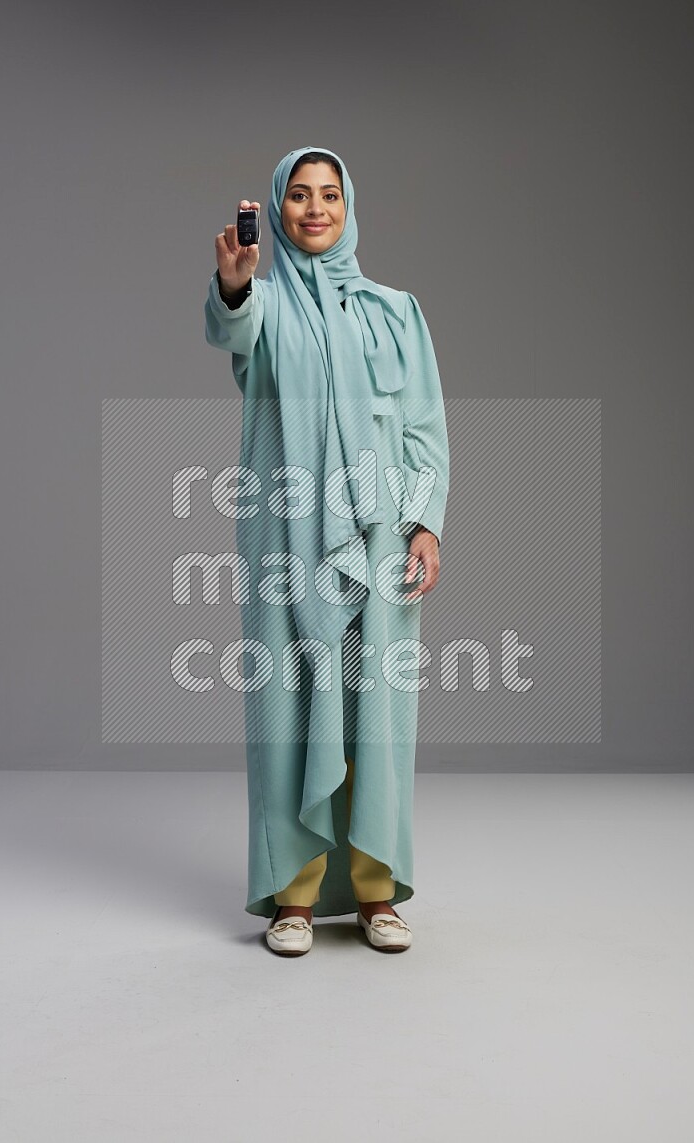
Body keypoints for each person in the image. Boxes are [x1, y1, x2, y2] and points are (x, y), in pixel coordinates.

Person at [204, 146, 449, 956]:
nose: (315, 209)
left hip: (378, 539)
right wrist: (236, 281)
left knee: (378, 713)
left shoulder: (395, 310)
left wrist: (425, 523)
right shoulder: (267, 307)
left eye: (330, 196)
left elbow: (422, 429)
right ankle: (295, 899)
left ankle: (377, 892)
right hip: (287, 536)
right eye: (299, 196)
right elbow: (230, 327)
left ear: (349, 208)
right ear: (276, 211)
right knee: (287, 710)